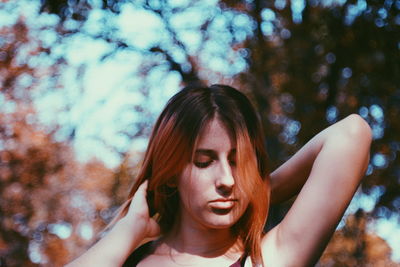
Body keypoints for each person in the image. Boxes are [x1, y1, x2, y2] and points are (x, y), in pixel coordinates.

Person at [66, 84, 372, 267]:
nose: (226, 179)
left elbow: (351, 134)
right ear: (171, 173)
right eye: (203, 162)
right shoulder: (127, 259)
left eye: (238, 163)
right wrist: (127, 231)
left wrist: (258, 193)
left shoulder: (267, 259)